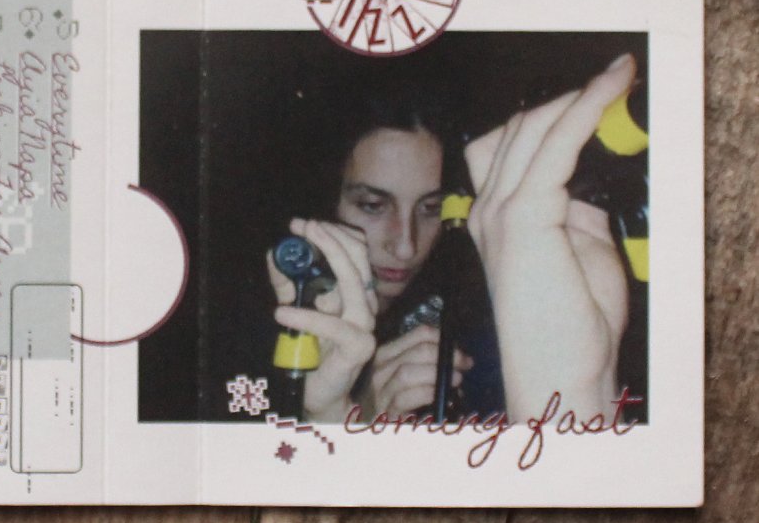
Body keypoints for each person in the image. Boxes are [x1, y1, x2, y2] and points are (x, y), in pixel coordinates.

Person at [267, 53, 638, 424]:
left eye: (432, 208)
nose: (406, 246)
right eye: (373, 206)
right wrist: (344, 417)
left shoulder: (483, 312)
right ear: (325, 199)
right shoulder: (264, 324)